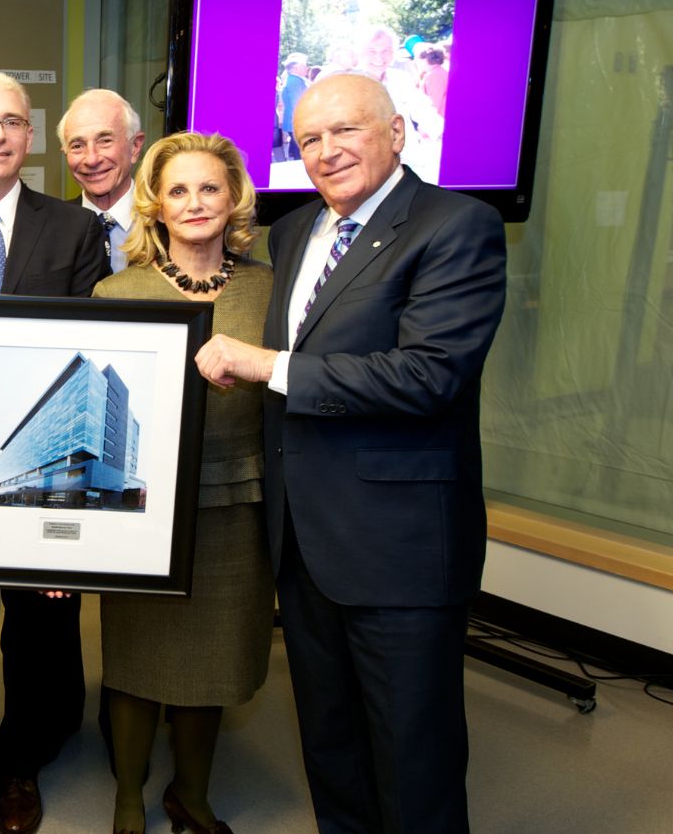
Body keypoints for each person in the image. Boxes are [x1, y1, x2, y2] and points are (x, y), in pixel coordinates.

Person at [195, 73, 506, 833]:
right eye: (309, 140)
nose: (328, 152)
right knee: (331, 746)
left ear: (396, 132)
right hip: (303, 542)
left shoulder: (456, 225)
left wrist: (268, 366)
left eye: (347, 131)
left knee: (413, 756)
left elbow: (429, 375)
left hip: (399, 548)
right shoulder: (294, 230)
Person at [0, 72, 109, 834]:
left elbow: (96, 347)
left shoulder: (73, 230)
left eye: (12, 121)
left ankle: (21, 763)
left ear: (30, 137)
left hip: (46, 460)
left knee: (41, 624)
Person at [94, 132, 274, 834]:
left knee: (214, 660)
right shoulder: (117, 290)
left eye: (209, 188)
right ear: (155, 205)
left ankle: (191, 796)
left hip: (239, 502)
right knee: (138, 656)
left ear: (233, 199)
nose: (194, 202)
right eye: (178, 190)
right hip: (142, 509)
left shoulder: (269, 288)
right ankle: (127, 797)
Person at [58, 88, 147, 273]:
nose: (92, 159)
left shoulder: (166, 224)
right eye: (77, 146)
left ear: (135, 146)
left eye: (105, 141)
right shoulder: (51, 229)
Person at [279, 53, 309, 162]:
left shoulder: (293, 79)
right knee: (299, 154)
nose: (307, 68)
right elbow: (297, 102)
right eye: (304, 66)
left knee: (297, 150)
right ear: (296, 68)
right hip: (297, 121)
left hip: (294, 120)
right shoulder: (295, 81)